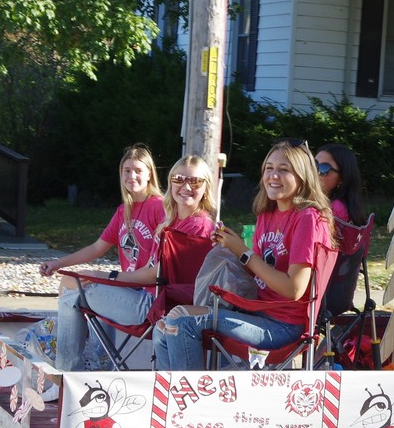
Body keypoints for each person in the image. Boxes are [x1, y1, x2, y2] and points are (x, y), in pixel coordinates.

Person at [154, 140, 337, 370]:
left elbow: (294, 289)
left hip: (283, 326)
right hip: (255, 310)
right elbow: (256, 272)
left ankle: (190, 400)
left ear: (302, 176)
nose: (273, 175)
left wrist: (243, 252)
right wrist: (229, 248)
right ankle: (172, 398)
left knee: (182, 320)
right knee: (162, 327)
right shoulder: (267, 214)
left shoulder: (308, 218)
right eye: (269, 168)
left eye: (284, 169)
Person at [42, 152, 217, 371]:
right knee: (74, 284)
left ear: (206, 186)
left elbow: (158, 275)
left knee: (73, 288)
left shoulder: (196, 225)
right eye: (179, 179)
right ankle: (85, 366)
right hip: (150, 298)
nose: (186, 186)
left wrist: (108, 277)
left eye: (195, 180)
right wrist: (97, 276)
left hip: (159, 307)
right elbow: (102, 248)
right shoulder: (171, 221)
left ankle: (70, 373)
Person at [315, 143, 367, 226]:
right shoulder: (323, 203)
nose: (315, 172)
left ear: (342, 178)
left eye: (324, 168)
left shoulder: (336, 209)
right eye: (314, 164)